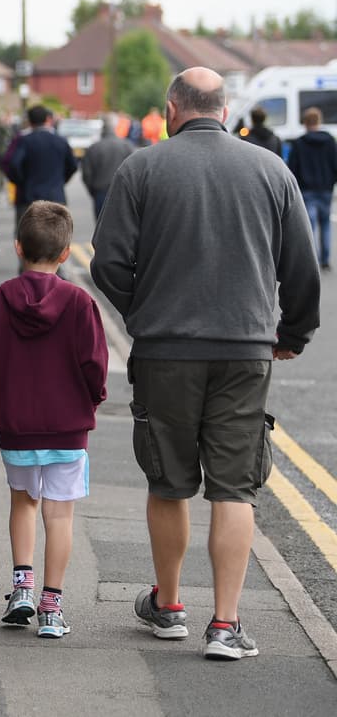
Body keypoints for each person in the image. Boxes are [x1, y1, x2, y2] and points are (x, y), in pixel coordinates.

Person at [91, 67, 320, 661]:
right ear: (224, 108)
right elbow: (302, 266)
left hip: (165, 350)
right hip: (245, 350)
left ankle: (168, 607)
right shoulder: (272, 170)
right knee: (234, 488)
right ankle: (225, 624)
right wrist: (291, 333)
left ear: (172, 109)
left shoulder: (142, 168)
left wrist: (144, 313)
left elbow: (107, 263)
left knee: (168, 482)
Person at [0, 201, 107, 639]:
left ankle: (22, 588)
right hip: (68, 427)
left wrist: (0, 404)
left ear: (18, 247)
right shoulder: (80, 303)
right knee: (60, 515)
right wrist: (90, 402)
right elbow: (94, 366)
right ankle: (51, 606)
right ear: (65, 253)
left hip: (17, 427)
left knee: (23, 502)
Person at [7, 105, 77, 225]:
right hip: (56, 198)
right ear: (47, 119)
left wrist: (22, 182)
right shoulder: (60, 141)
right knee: (57, 234)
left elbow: (13, 164)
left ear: (29, 121)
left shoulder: (24, 141)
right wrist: (60, 180)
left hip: (29, 198)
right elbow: (73, 166)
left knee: (29, 234)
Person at [286, 106, 337, 271]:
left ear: (305, 122)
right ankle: (325, 260)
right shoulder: (330, 141)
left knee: (310, 226)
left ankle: (313, 260)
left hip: (306, 189)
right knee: (325, 224)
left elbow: (292, 168)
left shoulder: (299, 143)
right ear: (319, 121)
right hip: (326, 189)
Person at [79, 112, 136, 220]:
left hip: (100, 192)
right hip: (122, 194)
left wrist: (93, 191)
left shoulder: (94, 148)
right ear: (116, 126)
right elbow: (135, 172)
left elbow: (86, 174)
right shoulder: (127, 146)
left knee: (101, 225)